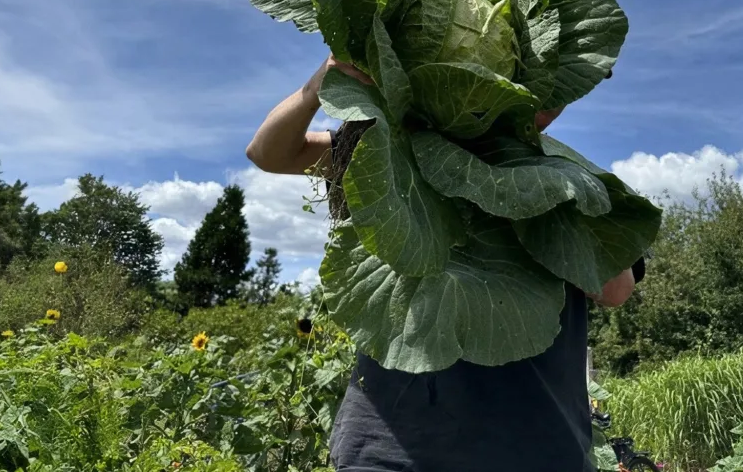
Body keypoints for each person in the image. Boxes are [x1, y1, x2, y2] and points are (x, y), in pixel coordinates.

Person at [246, 55, 643, 472]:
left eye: (561, 87)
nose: (549, 99)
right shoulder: (394, 152)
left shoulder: (570, 177)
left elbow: (616, 289)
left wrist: (513, 190)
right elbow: (269, 152)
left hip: (535, 443)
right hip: (392, 446)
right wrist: (316, 87)